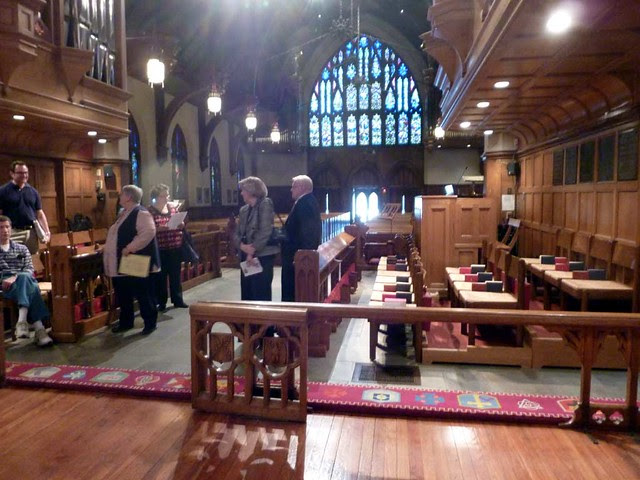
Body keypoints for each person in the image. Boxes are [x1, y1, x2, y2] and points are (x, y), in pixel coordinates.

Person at [103, 185, 160, 335]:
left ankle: (150, 322)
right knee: (124, 293)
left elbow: (148, 233)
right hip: (122, 261)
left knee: (143, 292)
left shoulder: (141, 213)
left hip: (135, 260)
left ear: (129, 197)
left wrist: (130, 248)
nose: (119, 197)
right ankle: (126, 322)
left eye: (122, 194)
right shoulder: (124, 213)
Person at [0, 215, 53, 347]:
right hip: (6, 285)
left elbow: (29, 269)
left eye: (7, 227)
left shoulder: (22, 248)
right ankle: (40, 330)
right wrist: (10, 279)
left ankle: (22, 321)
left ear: (11, 229)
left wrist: (16, 277)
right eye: (1, 228)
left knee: (25, 278)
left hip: (22, 280)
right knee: (32, 288)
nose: (5, 230)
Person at [233, 176, 279, 301]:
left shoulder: (265, 204)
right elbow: (236, 233)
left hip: (262, 256)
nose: (241, 193)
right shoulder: (243, 210)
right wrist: (242, 246)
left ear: (251, 190)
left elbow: (265, 231)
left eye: (243, 190)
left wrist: (251, 251)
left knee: (260, 292)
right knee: (247, 292)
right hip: (246, 256)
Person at [281, 175, 322, 302]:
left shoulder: (305, 204)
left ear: (303, 187)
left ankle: (291, 314)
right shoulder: (306, 201)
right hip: (296, 256)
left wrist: (303, 257)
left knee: (293, 294)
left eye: (294, 187)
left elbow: (309, 233)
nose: (291, 190)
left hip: (296, 258)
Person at [148, 184, 188, 311]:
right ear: (156, 197)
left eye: (167, 195)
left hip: (175, 246)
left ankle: (178, 299)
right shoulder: (150, 211)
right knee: (161, 277)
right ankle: (161, 302)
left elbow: (179, 221)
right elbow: (148, 229)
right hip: (160, 248)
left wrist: (181, 224)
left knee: (175, 275)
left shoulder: (172, 208)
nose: (166, 198)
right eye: (163, 196)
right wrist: (159, 229)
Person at [0, 161, 51, 253]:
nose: (24, 175)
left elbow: (39, 214)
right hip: (13, 232)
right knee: (13, 259)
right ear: (12, 174)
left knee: (33, 259)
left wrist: (47, 232)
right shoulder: (3, 191)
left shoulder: (33, 191)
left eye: (26, 173)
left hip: (31, 232)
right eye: (20, 173)